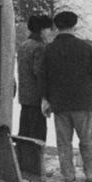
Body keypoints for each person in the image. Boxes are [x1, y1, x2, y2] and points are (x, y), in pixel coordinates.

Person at [39, 11, 92, 182]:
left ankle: (68, 175)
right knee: (87, 139)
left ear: (57, 27)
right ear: (74, 26)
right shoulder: (85, 48)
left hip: (59, 103)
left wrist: (45, 99)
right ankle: (91, 173)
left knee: (64, 142)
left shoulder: (49, 49)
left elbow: (43, 77)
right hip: (83, 102)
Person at [17, 15, 53, 143]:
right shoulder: (40, 48)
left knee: (25, 134)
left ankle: (23, 161)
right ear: (42, 30)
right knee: (37, 138)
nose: (50, 32)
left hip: (25, 97)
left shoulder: (23, 45)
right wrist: (47, 96)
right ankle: (34, 162)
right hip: (36, 99)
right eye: (49, 28)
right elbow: (40, 74)